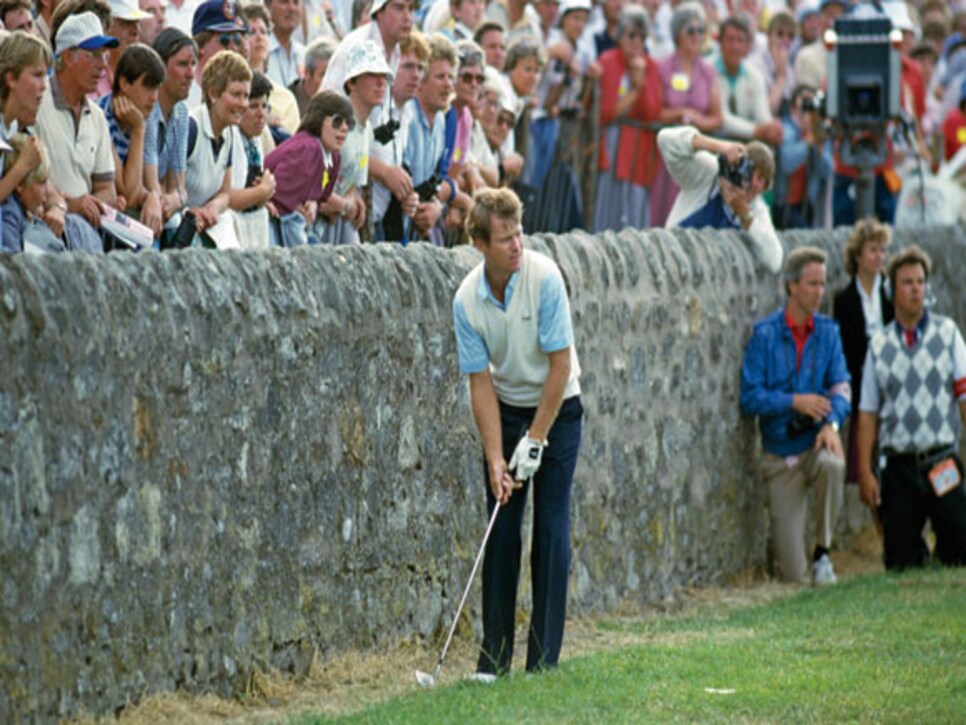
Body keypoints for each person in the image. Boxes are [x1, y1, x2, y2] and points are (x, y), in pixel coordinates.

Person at [452, 187, 583, 677]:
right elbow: (480, 381)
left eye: (519, 234)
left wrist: (537, 439)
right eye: (505, 238)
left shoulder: (544, 278)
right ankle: (493, 659)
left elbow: (560, 365)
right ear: (481, 244)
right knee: (502, 529)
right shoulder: (467, 300)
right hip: (506, 411)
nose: (516, 245)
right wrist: (495, 456)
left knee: (550, 526)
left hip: (559, 409)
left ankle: (543, 662)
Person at [741, 246, 850, 585]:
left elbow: (841, 387)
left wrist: (832, 424)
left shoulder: (829, 333)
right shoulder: (765, 335)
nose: (820, 292)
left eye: (823, 284)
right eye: (812, 284)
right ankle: (797, 560)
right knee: (790, 576)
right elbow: (750, 397)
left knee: (833, 463)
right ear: (792, 286)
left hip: (815, 444)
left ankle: (823, 553)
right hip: (780, 457)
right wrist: (794, 402)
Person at [856, 246, 966, 570]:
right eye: (907, 282)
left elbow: (964, 399)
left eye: (920, 281)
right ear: (892, 290)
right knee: (900, 562)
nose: (916, 288)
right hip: (899, 468)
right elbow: (867, 413)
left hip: (942, 460)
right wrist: (865, 470)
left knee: (961, 552)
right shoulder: (878, 345)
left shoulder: (948, 335)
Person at [35, 11, 121, 252]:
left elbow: (107, 190)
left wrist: (89, 205)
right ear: (67, 57)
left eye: (104, 55)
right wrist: (70, 204)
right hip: (44, 230)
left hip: (83, 233)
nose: (103, 64)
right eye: (92, 55)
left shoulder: (97, 116)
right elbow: (26, 181)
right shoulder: (36, 104)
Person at [657, 125, 782, 274]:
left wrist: (743, 211)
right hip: (671, 262)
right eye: (750, 173)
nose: (754, 183)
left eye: (762, 180)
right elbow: (665, 140)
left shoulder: (756, 208)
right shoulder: (710, 172)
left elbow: (774, 261)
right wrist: (721, 147)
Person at [832, 218, 894, 491]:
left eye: (882, 250)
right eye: (872, 250)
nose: (879, 256)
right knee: (866, 468)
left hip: (893, 389)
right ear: (858, 255)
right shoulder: (844, 301)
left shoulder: (892, 294)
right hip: (862, 392)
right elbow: (846, 351)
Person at [649, 1, 722, 227]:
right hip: (667, 156)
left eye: (701, 30)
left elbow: (717, 116)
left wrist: (698, 120)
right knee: (662, 213)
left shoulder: (708, 71)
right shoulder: (662, 68)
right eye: (691, 30)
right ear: (678, 34)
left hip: (698, 153)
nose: (697, 36)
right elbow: (655, 111)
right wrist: (680, 113)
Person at [593, 4, 662, 233]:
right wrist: (635, 90)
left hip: (637, 151)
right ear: (620, 35)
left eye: (642, 36)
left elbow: (652, 112)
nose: (636, 42)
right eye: (631, 35)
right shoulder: (608, 61)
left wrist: (640, 82)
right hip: (610, 146)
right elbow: (605, 112)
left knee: (635, 208)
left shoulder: (651, 66)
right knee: (606, 206)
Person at [265, 90, 350, 247]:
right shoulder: (308, 149)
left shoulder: (334, 157)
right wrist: (298, 205)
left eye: (348, 123)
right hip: (274, 219)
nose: (344, 128)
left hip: (297, 222)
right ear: (318, 120)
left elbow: (322, 196)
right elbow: (275, 191)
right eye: (337, 121)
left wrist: (313, 203)